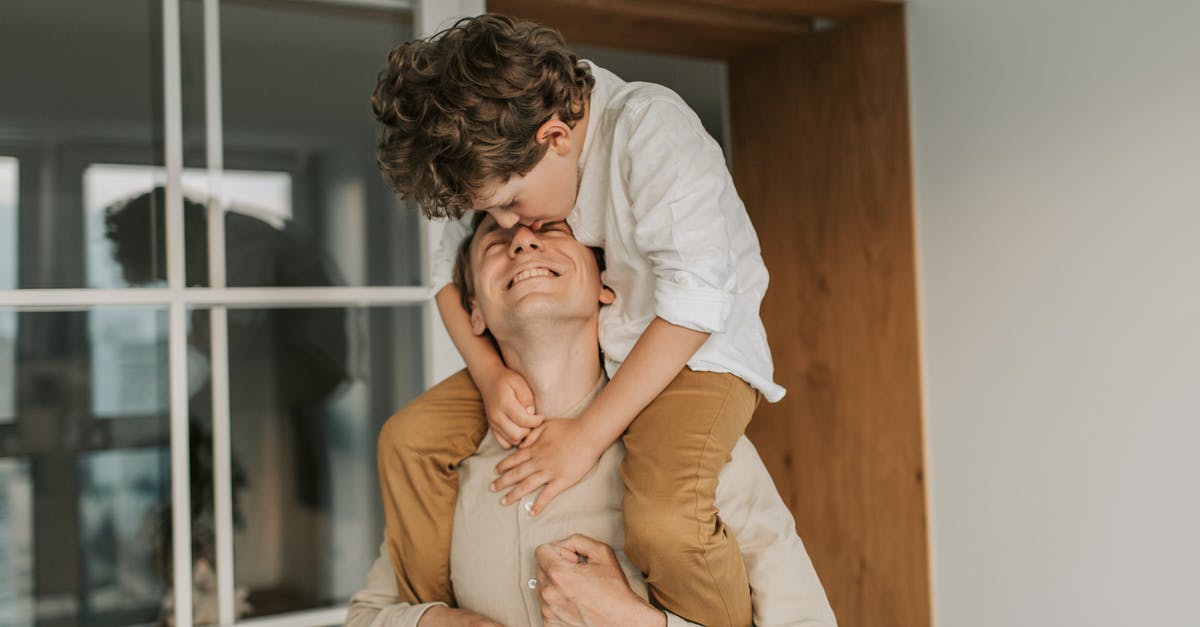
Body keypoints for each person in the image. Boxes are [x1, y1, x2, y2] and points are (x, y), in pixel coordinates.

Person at [371, 16, 785, 626]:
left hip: (697, 356)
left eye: (510, 204)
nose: (510, 229)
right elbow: (443, 280)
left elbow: (697, 307)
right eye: (490, 217)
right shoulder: (497, 155)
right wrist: (487, 376)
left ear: (556, 136)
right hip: (601, 352)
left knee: (667, 515)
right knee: (408, 440)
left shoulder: (651, 131)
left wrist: (587, 436)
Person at [347, 216, 835, 627]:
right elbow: (366, 615)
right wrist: (434, 623)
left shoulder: (693, 453)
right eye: (495, 242)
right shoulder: (444, 473)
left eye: (552, 230)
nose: (521, 241)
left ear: (606, 287)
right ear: (473, 312)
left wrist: (636, 622)